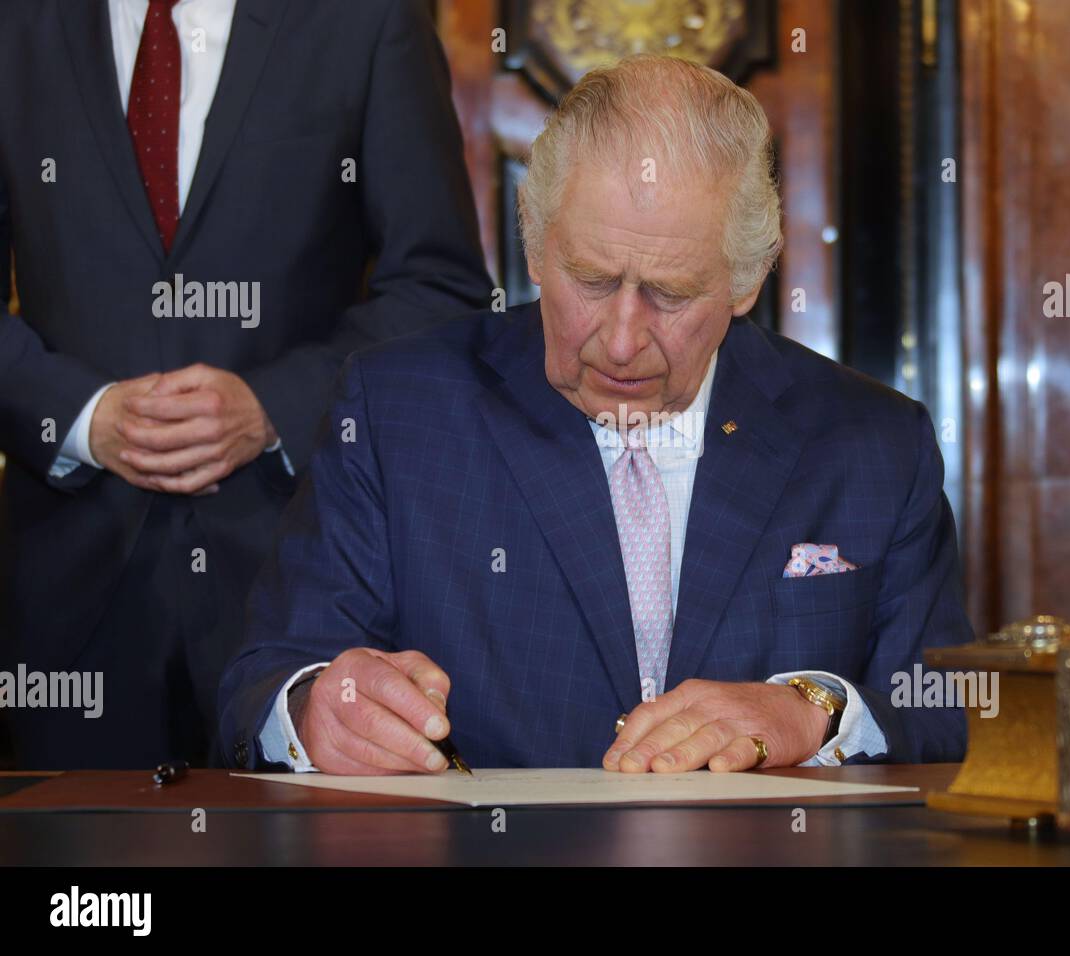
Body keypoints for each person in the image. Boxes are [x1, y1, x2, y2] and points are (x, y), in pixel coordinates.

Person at [220, 54, 973, 775]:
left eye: (670, 294)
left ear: (747, 281)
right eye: (589, 279)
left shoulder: (873, 444)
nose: (620, 339)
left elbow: (947, 715)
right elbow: (261, 686)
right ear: (535, 243)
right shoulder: (397, 411)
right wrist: (318, 711)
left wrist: (814, 712)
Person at [0, 0, 493, 768]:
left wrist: (272, 408)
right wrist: (80, 415)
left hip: (296, 586)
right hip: (64, 594)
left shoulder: (364, 22)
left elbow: (441, 287)